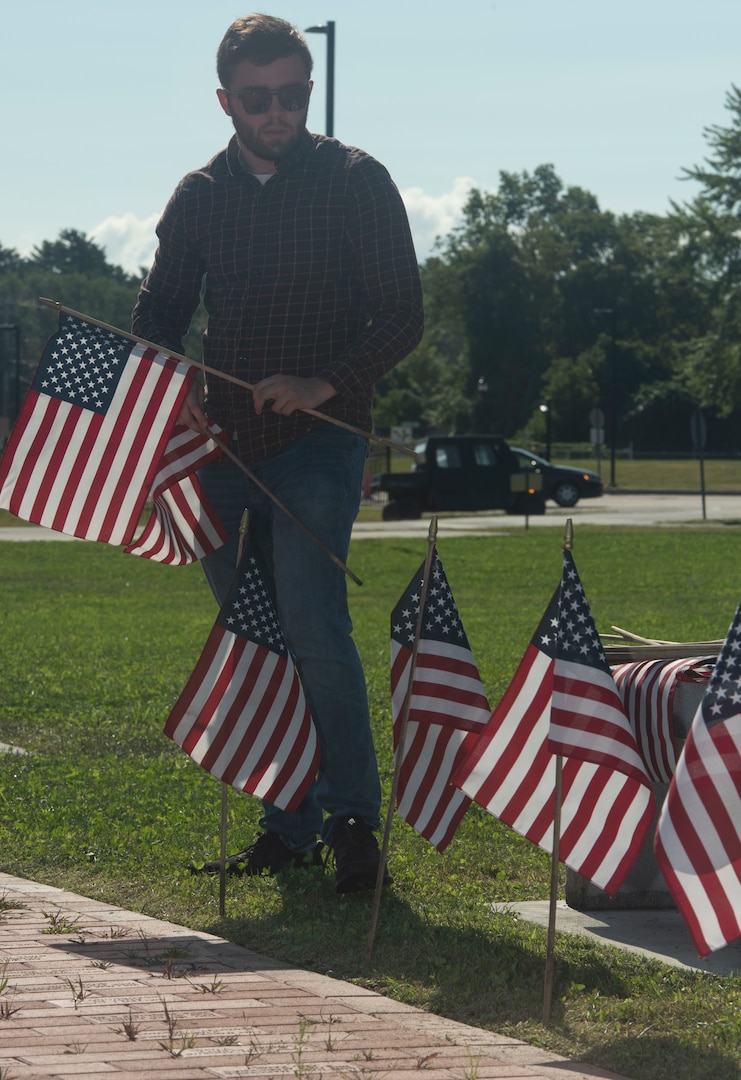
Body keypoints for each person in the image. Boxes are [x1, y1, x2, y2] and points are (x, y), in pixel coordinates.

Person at [132, 13, 424, 893]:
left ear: (307, 91)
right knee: (252, 639)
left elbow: (403, 314)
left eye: (292, 94)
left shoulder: (355, 180)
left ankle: (352, 825)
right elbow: (158, 318)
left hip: (317, 446)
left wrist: (320, 384)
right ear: (225, 100)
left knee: (313, 627)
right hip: (217, 451)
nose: (277, 111)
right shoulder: (199, 196)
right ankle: (284, 825)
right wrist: (164, 395)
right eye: (258, 98)